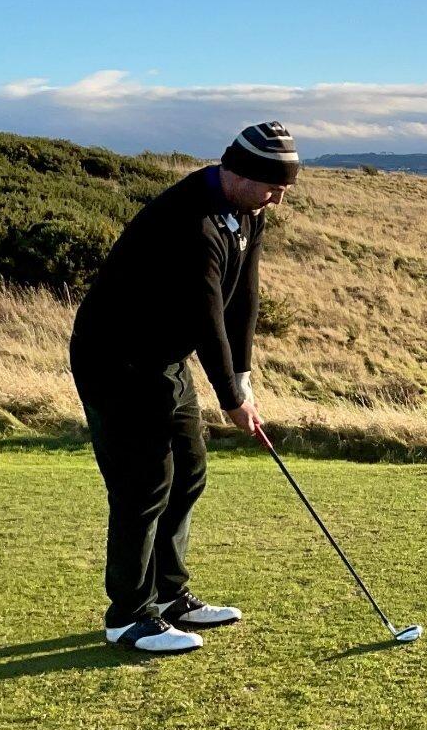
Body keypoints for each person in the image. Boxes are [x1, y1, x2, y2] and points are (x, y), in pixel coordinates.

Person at [70, 122, 298, 654]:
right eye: (273, 185)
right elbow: (206, 317)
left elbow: (243, 300)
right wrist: (232, 400)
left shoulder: (248, 210)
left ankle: (171, 597)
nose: (279, 198)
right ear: (238, 173)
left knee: (188, 472)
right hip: (115, 358)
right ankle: (129, 615)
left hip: (162, 359)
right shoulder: (189, 221)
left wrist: (242, 380)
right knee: (144, 482)